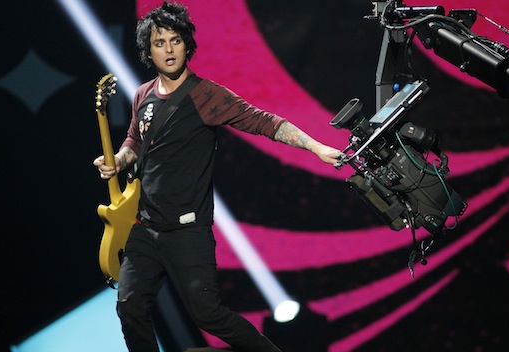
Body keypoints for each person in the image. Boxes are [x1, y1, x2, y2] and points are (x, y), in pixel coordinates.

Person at [93, 2, 341, 351]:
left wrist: (316, 147)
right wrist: (117, 160)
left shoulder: (205, 95)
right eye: (160, 42)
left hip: (187, 231)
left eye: (175, 40)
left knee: (207, 314)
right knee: (129, 307)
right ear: (148, 49)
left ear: (187, 44)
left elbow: (265, 121)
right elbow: (135, 141)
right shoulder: (142, 94)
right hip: (144, 228)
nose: (168, 49)